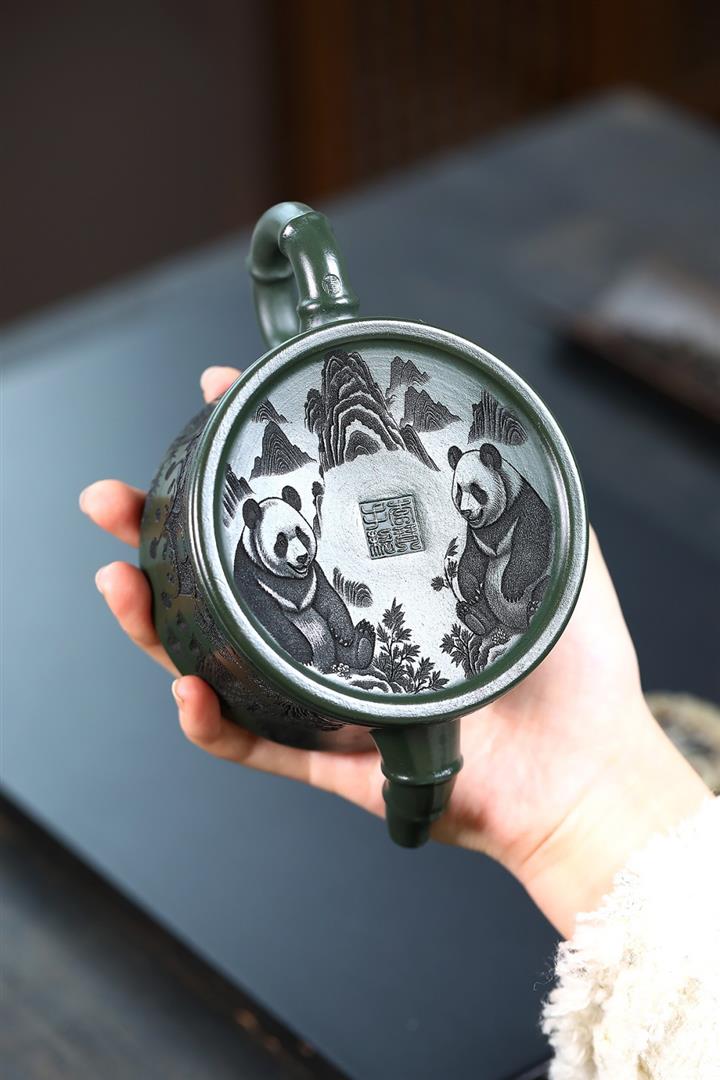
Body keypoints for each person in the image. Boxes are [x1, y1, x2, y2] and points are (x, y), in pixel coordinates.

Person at [80, 365, 719, 1078]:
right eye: (284, 544)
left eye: (475, 494)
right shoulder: (271, 556)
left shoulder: (528, 517)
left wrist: (582, 798)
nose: (467, 506)